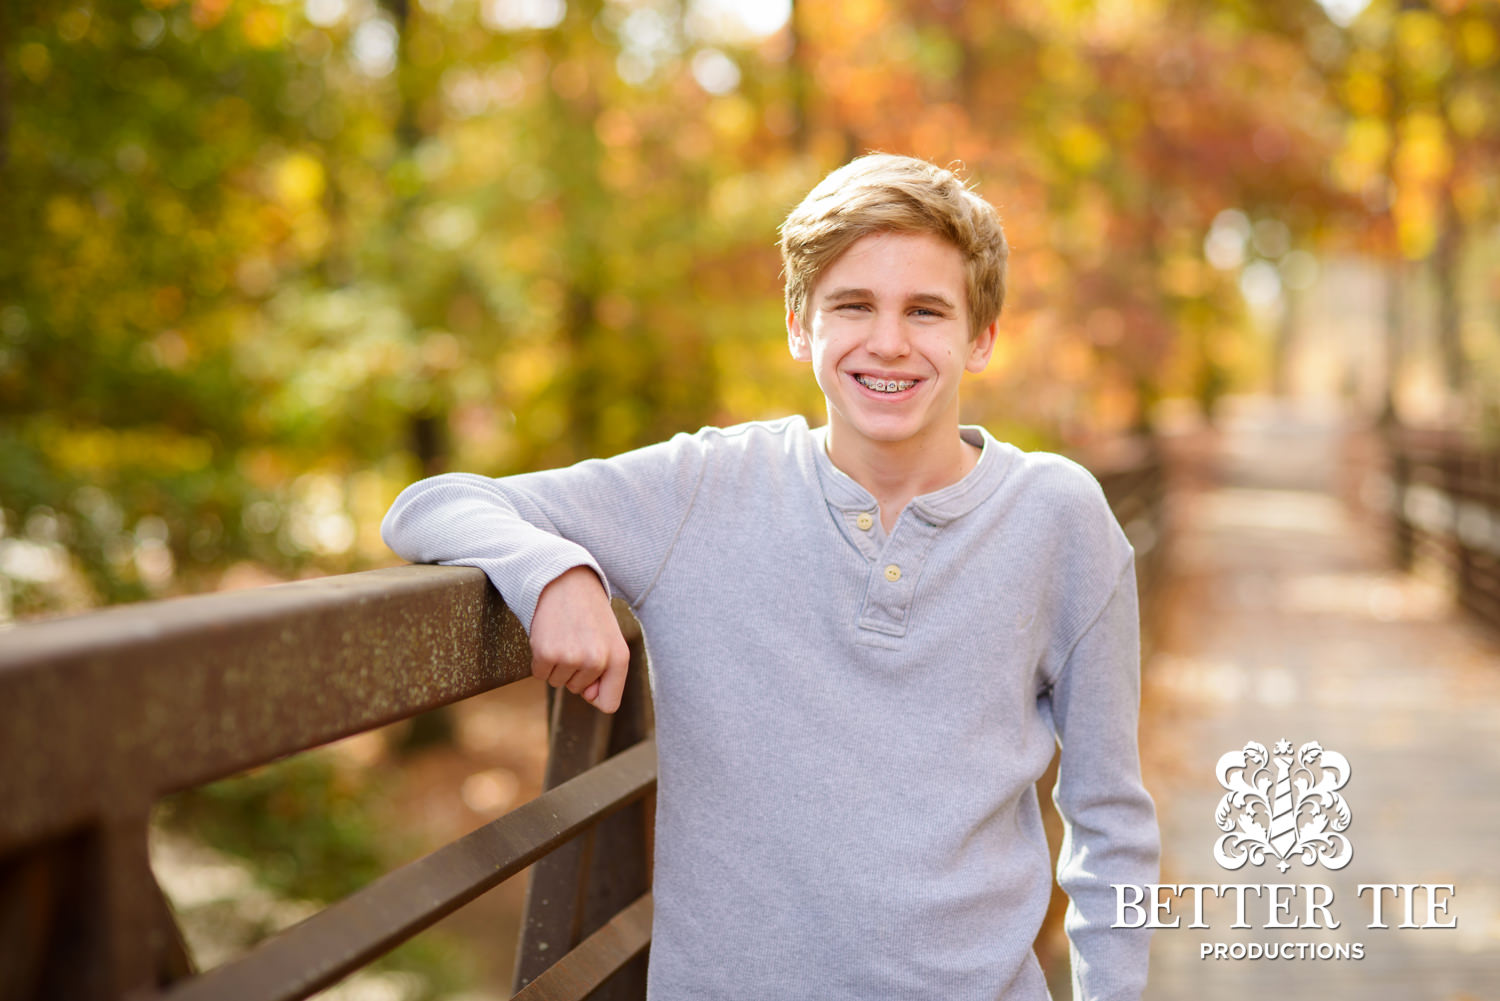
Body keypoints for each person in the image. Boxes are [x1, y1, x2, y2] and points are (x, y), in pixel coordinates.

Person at [382, 153, 1159, 1000]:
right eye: (852, 305)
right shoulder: (703, 490)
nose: (889, 341)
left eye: (926, 310)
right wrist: (555, 569)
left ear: (981, 336)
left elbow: (1109, 817)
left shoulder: (1058, 516)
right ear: (799, 325)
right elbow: (432, 504)